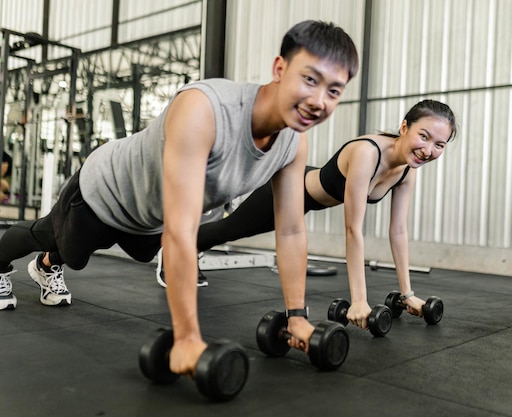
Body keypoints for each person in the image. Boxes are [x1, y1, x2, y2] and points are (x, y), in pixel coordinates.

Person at [0, 20, 359, 376]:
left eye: (334, 91)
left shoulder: (293, 144)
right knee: (57, 240)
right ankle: (17, 263)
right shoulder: (205, 109)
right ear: (280, 68)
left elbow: (292, 230)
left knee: (117, 250)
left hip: (148, 217)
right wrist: (186, 339)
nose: (318, 101)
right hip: (105, 189)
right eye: (310, 79)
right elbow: (181, 231)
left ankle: (52, 260)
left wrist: (297, 318)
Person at [159, 99, 457, 331]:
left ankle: (187, 243)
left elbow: (399, 232)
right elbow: (353, 231)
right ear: (405, 127)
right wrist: (359, 301)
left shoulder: (407, 170)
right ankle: (174, 244)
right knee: (230, 231)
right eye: (424, 136)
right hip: (286, 192)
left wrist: (407, 295)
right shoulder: (368, 153)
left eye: (439, 145)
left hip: (310, 201)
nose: (428, 150)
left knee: (231, 230)